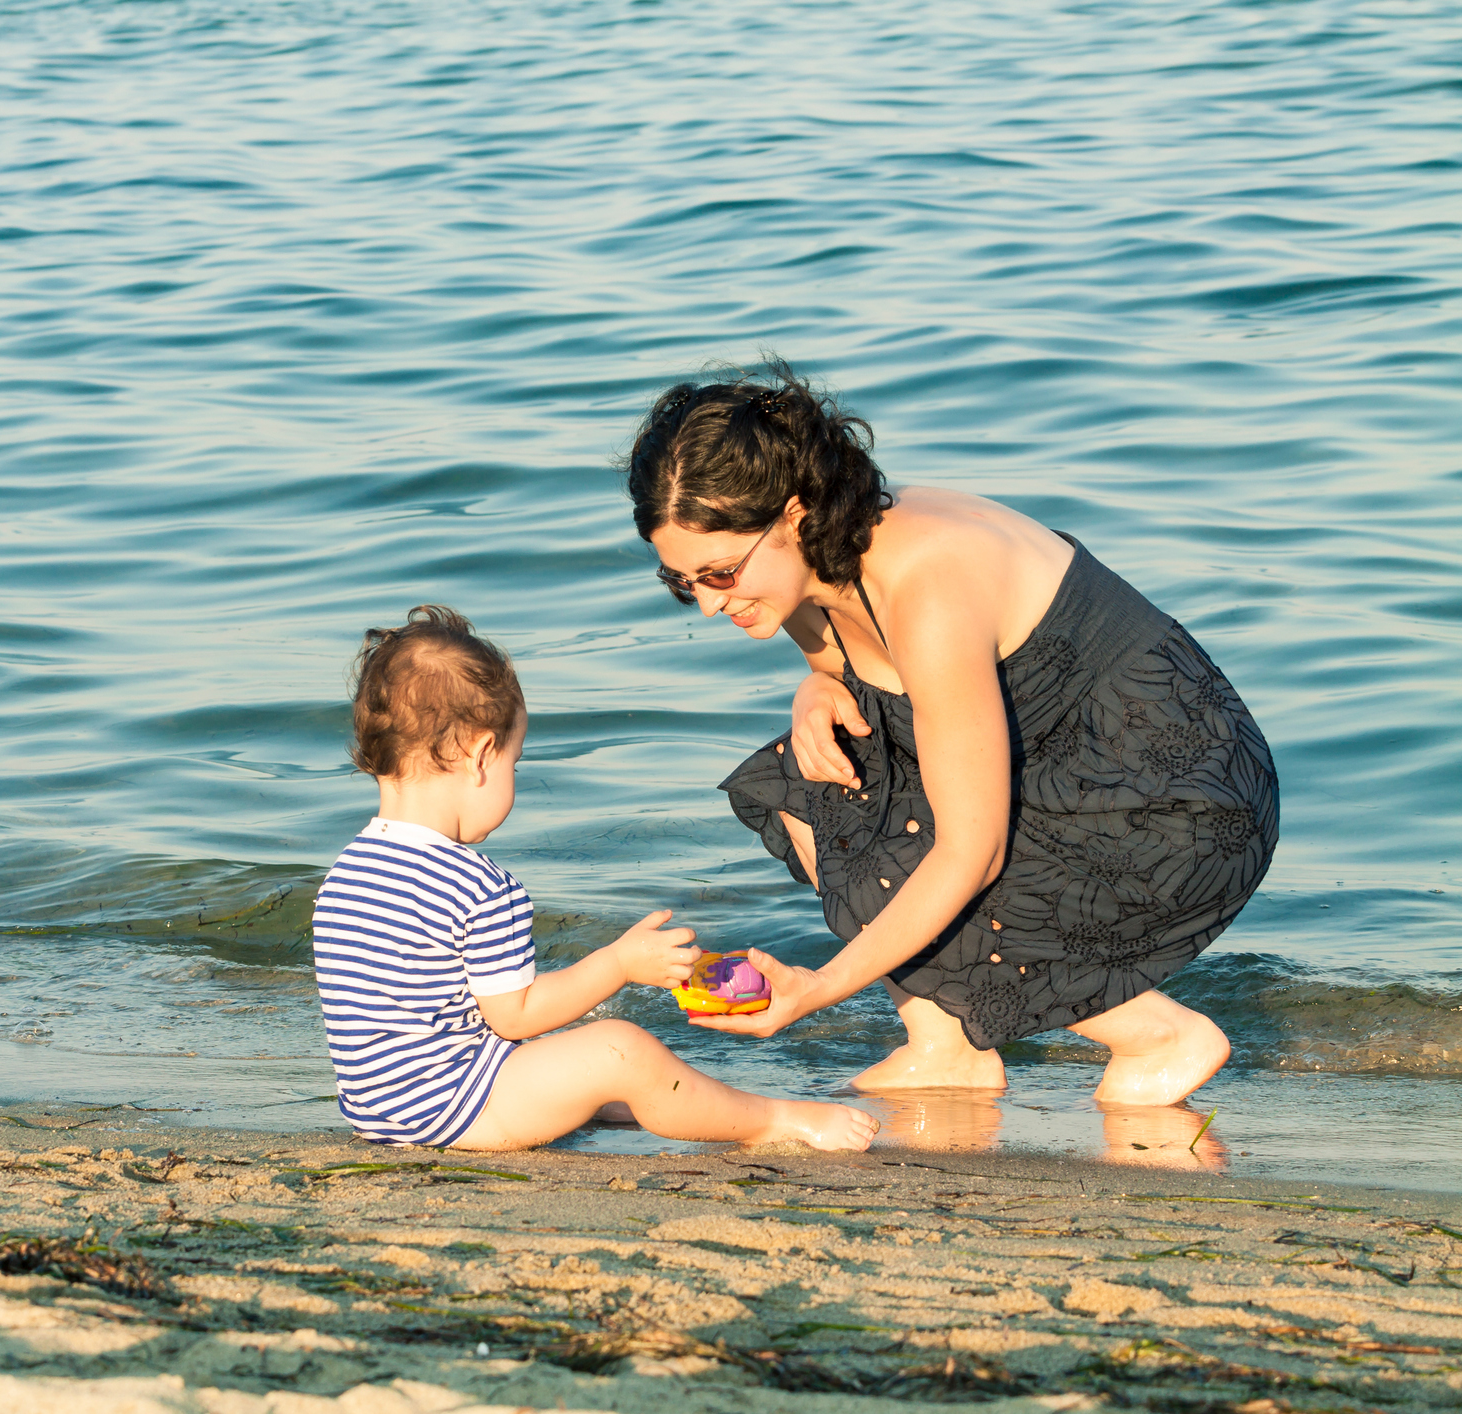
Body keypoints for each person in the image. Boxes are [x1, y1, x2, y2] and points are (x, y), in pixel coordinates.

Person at [626, 360, 1278, 1108]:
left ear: (794, 515)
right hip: (1055, 762)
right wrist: (816, 690)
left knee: (935, 862)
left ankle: (1155, 1034)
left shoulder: (928, 583)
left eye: (719, 574)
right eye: (682, 583)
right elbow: (850, 667)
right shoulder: (807, 567)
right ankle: (942, 1043)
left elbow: (974, 850)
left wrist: (818, 988)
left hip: (1172, 795)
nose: (709, 605)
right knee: (804, 784)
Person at [311, 605, 878, 1152]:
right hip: (459, 1109)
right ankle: (774, 1119)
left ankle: (638, 1098)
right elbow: (514, 1016)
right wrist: (620, 964)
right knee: (620, 1049)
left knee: (591, 1063)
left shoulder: (346, 875)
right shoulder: (478, 883)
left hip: (379, 1110)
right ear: (481, 754)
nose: (514, 775)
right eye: (516, 761)